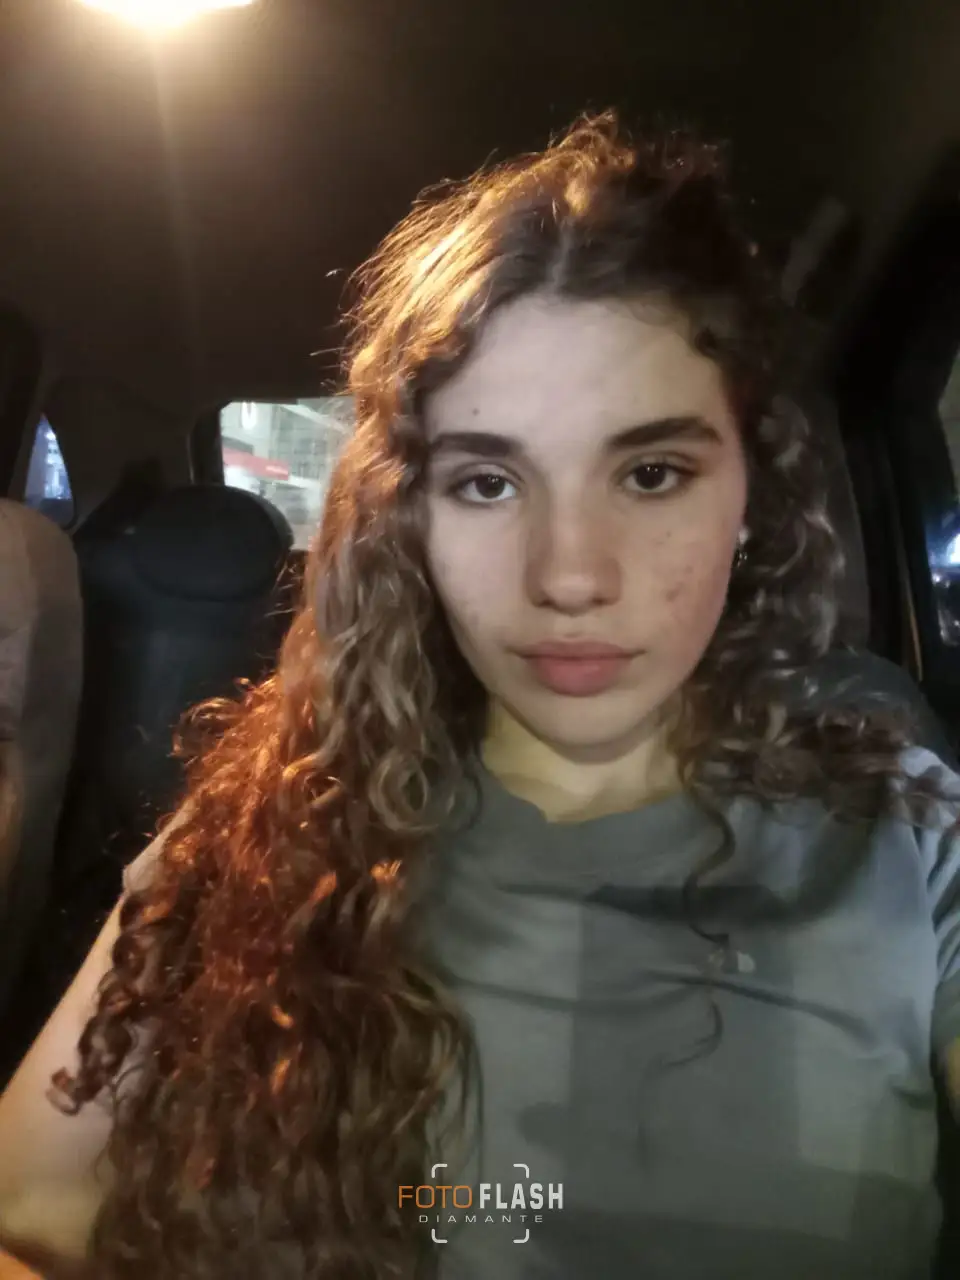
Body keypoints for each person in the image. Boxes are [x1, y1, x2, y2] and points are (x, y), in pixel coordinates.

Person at [1, 110, 959, 1280]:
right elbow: (26, 1206)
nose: (570, 576)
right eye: (489, 482)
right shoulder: (269, 820)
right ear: (409, 518)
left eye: (652, 472)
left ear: (751, 491)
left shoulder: (910, 835)